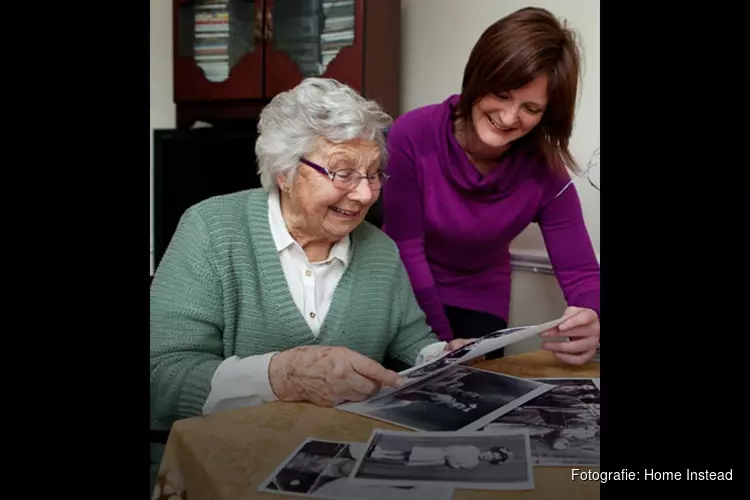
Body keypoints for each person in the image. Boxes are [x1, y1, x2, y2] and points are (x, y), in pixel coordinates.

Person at [149, 77, 475, 432]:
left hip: (342, 458)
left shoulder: (381, 250)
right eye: (343, 173)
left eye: (373, 173)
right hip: (224, 459)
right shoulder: (210, 231)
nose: (365, 194)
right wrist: (281, 377)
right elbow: (162, 377)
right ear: (284, 173)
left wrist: (441, 357)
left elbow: (412, 341)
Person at [381, 6, 600, 365]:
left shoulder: (545, 169)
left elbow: (580, 270)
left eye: (530, 108)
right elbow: (406, 249)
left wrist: (592, 316)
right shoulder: (411, 135)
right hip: (406, 295)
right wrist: (442, 344)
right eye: (502, 93)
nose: (509, 117)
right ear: (479, 75)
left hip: (482, 302)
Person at [370, 444, 512, 468]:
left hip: (438, 459)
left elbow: (456, 466)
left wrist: (451, 459)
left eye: (492, 458)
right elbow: (454, 448)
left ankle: (380, 457)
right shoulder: (473, 449)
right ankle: (383, 452)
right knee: (410, 452)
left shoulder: (473, 463)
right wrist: (450, 452)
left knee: (408, 459)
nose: (488, 456)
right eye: (491, 454)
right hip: (439, 451)